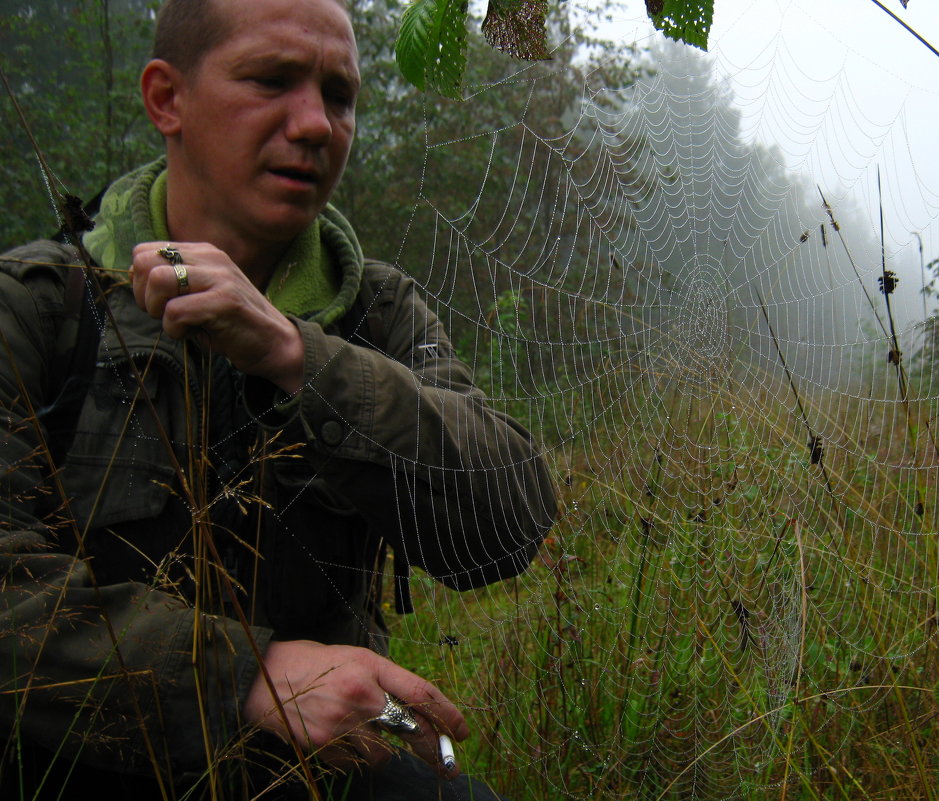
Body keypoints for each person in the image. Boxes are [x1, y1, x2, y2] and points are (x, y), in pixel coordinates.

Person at [0, 0, 556, 797]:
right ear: (167, 99)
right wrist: (247, 677)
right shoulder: (43, 309)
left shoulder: (376, 314)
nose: (316, 125)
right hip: (70, 767)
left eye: (339, 95)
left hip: (317, 778)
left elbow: (510, 523)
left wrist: (299, 355)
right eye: (271, 80)